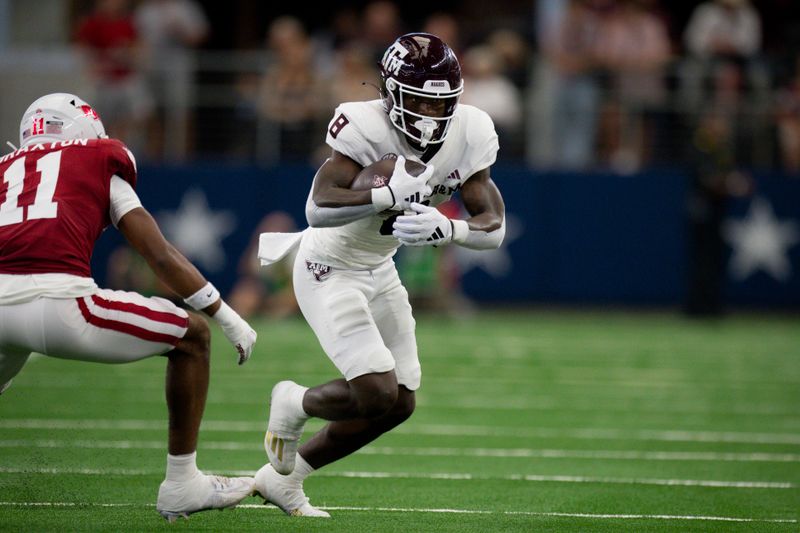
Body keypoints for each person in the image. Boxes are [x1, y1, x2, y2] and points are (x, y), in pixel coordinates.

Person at [254, 32, 505, 517]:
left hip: (379, 268)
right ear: (391, 93)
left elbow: (492, 227)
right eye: (421, 105)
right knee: (376, 391)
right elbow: (316, 206)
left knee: (400, 403)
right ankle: (294, 402)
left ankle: (285, 481)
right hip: (328, 266)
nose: (432, 119)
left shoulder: (471, 131)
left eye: (442, 107)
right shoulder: (364, 125)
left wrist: (448, 228)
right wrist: (382, 196)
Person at [0, 93, 257, 520]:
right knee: (193, 336)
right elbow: (159, 256)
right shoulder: (97, 159)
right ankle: (182, 485)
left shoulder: (4, 171)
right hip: (60, 305)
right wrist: (227, 316)